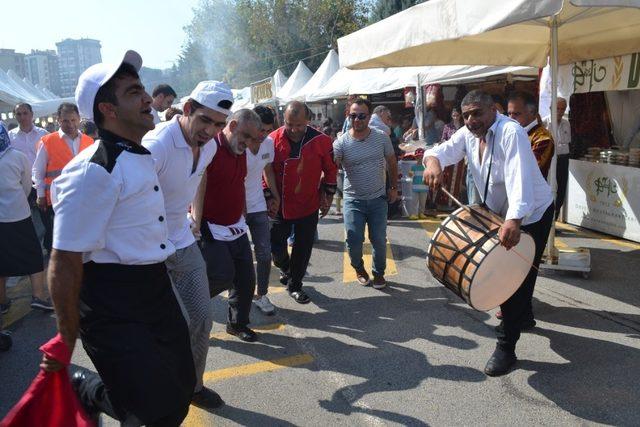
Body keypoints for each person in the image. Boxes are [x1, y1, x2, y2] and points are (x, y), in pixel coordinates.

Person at [40, 51, 196, 425]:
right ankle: (84, 387)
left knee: (182, 390)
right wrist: (65, 334)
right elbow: (64, 259)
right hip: (112, 300)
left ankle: (112, 397)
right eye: (133, 93)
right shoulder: (92, 171)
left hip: (155, 287)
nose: (147, 99)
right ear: (108, 109)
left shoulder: (139, 152)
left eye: (142, 89)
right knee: (153, 411)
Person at [423, 90, 554, 377]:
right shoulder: (468, 133)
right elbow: (441, 151)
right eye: (466, 114)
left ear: (493, 110)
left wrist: (515, 219)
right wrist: (432, 161)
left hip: (532, 212)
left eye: (477, 113)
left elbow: (520, 178)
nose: (471, 120)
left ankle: (506, 348)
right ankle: (524, 316)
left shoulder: (512, 132)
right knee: (520, 276)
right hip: (500, 213)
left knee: (516, 277)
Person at [142, 80, 234, 409]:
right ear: (188, 109)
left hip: (181, 239)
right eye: (205, 121)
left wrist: (197, 211)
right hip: (148, 250)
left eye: (219, 124)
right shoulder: (157, 145)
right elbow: (130, 196)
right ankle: (158, 392)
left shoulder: (209, 146)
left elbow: (201, 174)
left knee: (202, 319)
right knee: (164, 328)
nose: (211, 131)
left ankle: (193, 387)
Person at [194, 109, 262, 342]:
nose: (248, 142)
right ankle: (184, 306)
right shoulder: (211, 146)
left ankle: (237, 323)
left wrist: (242, 210)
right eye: (245, 135)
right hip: (209, 225)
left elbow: (238, 181)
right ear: (231, 126)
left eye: (253, 138)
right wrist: (196, 219)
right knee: (222, 275)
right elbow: (198, 184)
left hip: (235, 225)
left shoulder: (239, 150)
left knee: (245, 279)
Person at [269, 101, 337, 304]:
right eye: (289, 124)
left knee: (303, 247)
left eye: (299, 125)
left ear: (308, 121)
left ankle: (295, 285)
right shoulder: (272, 139)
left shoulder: (322, 141)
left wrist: (328, 196)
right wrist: (269, 195)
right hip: (279, 204)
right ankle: (287, 268)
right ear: (283, 120)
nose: (294, 129)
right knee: (275, 246)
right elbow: (265, 171)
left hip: (308, 202)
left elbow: (331, 170)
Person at [333, 98, 397, 289]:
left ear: (369, 117)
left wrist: (393, 187)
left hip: (378, 198)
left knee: (378, 239)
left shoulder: (381, 137)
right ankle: (359, 269)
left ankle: (378, 273)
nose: (358, 120)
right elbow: (330, 167)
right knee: (353, 240)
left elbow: (392, 162)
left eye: (362, 116)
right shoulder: (341, 143)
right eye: (353, 116)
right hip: (353, 200)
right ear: (348, 116)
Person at [0, 123, 52, 314]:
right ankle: (38, 296)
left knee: (2, 260)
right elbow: (26, 186)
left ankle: (3, 301)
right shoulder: (17, 157)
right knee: (32, 254)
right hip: (19, 214)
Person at [32, 103, 93, 253]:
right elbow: (38, 171)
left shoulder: (88, 141)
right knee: (62, 239)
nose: (70, 124)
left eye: (73, 120)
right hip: (58, 198)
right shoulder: (48, 141)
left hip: (84, 196)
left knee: (84, 234)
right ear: (58, 120)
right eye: (66, 121)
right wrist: (40, 195)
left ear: (79, 119)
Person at [246, 106, 280, 315]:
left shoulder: (268, 144)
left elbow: (268, 170)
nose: (263, 135)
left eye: (267, 130)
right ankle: (239, 295)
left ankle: (262, 293)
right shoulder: (239, 143)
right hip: (235, 209)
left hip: (258, 205)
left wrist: (274, 195)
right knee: (238, 258)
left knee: (265, 254)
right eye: (260, 130)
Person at [507, 91, 555, 178]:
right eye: (509, 114)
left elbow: (528, 170)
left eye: (516, 114)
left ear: (532, 112)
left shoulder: (543, 138)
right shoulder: (511, 132)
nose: (511, 118)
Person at [542, 97, 571, 219]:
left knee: (562, 188)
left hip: (563, 158)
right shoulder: (544, 123)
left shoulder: (566, 123)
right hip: (550, 159)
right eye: (557, 109)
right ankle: (547, 217)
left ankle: (555, 214)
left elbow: (567, 141)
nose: (559, 111)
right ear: (551, 109)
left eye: (562, 109)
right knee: (548, 187)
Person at [436, 106, 466, 210]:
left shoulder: (464, 127)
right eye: (453, 115)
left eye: (457, 115)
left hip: (460, 158)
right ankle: (443, 203)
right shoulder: (447, 126)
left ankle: (453, 204)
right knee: (446, 179)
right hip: (448, 156)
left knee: (456, 180)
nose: (455, 117)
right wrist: (444, 142)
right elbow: (443, 139)